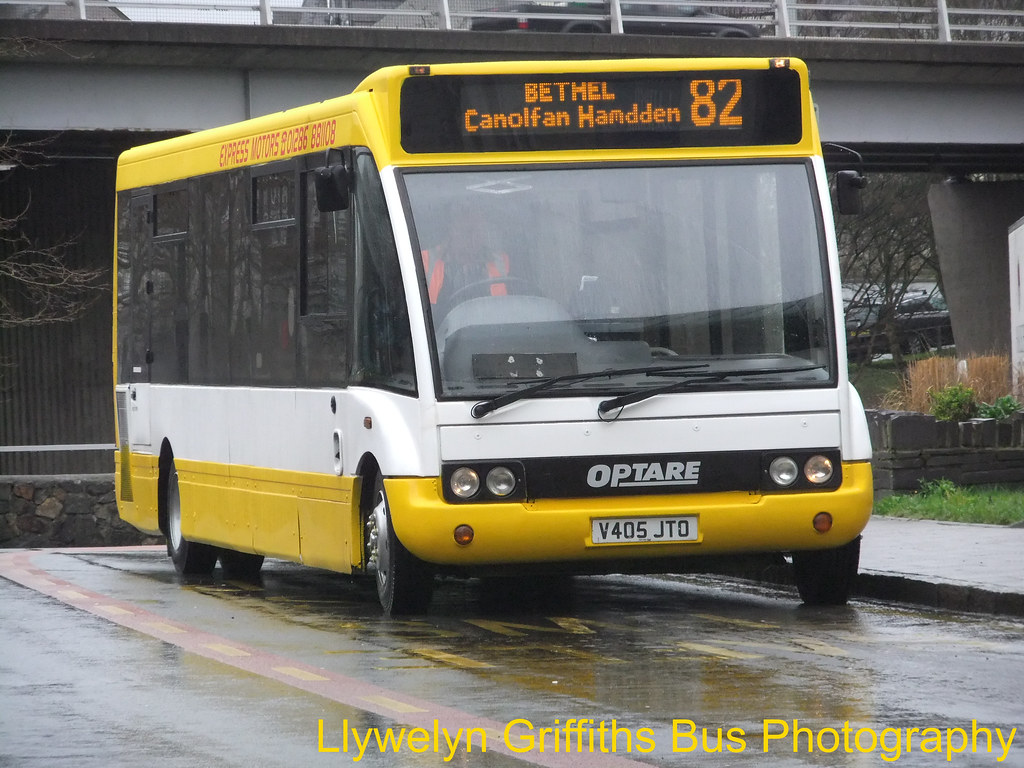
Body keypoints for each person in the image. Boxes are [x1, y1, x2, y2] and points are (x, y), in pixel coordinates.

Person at [421, 214, 510, 315]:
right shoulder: (423, 261)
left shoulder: (501, 261)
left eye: (478, 234)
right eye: (467, 233)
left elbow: (514, 308)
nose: (473, 241)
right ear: (452, 232)